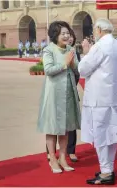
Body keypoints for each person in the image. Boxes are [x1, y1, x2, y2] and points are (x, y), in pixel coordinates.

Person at [78, 18, 117, 185]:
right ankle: (108, 169)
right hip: (113, 97)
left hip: (99, 99)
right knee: (111, 135)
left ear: (98, 29)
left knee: (101, 136)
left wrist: (85, 51)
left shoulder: (99, 46)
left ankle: (106, 172)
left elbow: (83, 69)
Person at [37, 21, 81, 173]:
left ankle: (63, 158)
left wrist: (74, 61)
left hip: (68, 92)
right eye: (63, 33)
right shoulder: (48, 50)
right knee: (52, 127)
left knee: (66, 127)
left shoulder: (70, 49)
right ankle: (53, 159)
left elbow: (75, 67)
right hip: (54, 93)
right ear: (55, 35)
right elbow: (48, 70)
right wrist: (65, 63)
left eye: (68, 33)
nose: (66, 36)